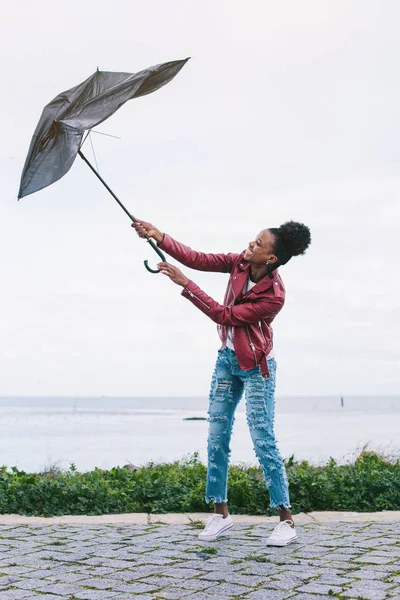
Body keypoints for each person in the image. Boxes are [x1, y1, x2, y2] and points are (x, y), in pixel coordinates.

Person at [132, 219, 311, 546]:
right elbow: (198, 258)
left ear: (271, 259)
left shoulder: (274, 296)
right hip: (227, 360)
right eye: (254, 239)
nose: (251, 244)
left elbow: (224, 315)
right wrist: (158, 235)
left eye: (258, 244)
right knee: (216, 435)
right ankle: (221, 514)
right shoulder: (240, 261)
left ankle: (286, 520)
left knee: (262, 438)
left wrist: (186, 285)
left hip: (257, 366)